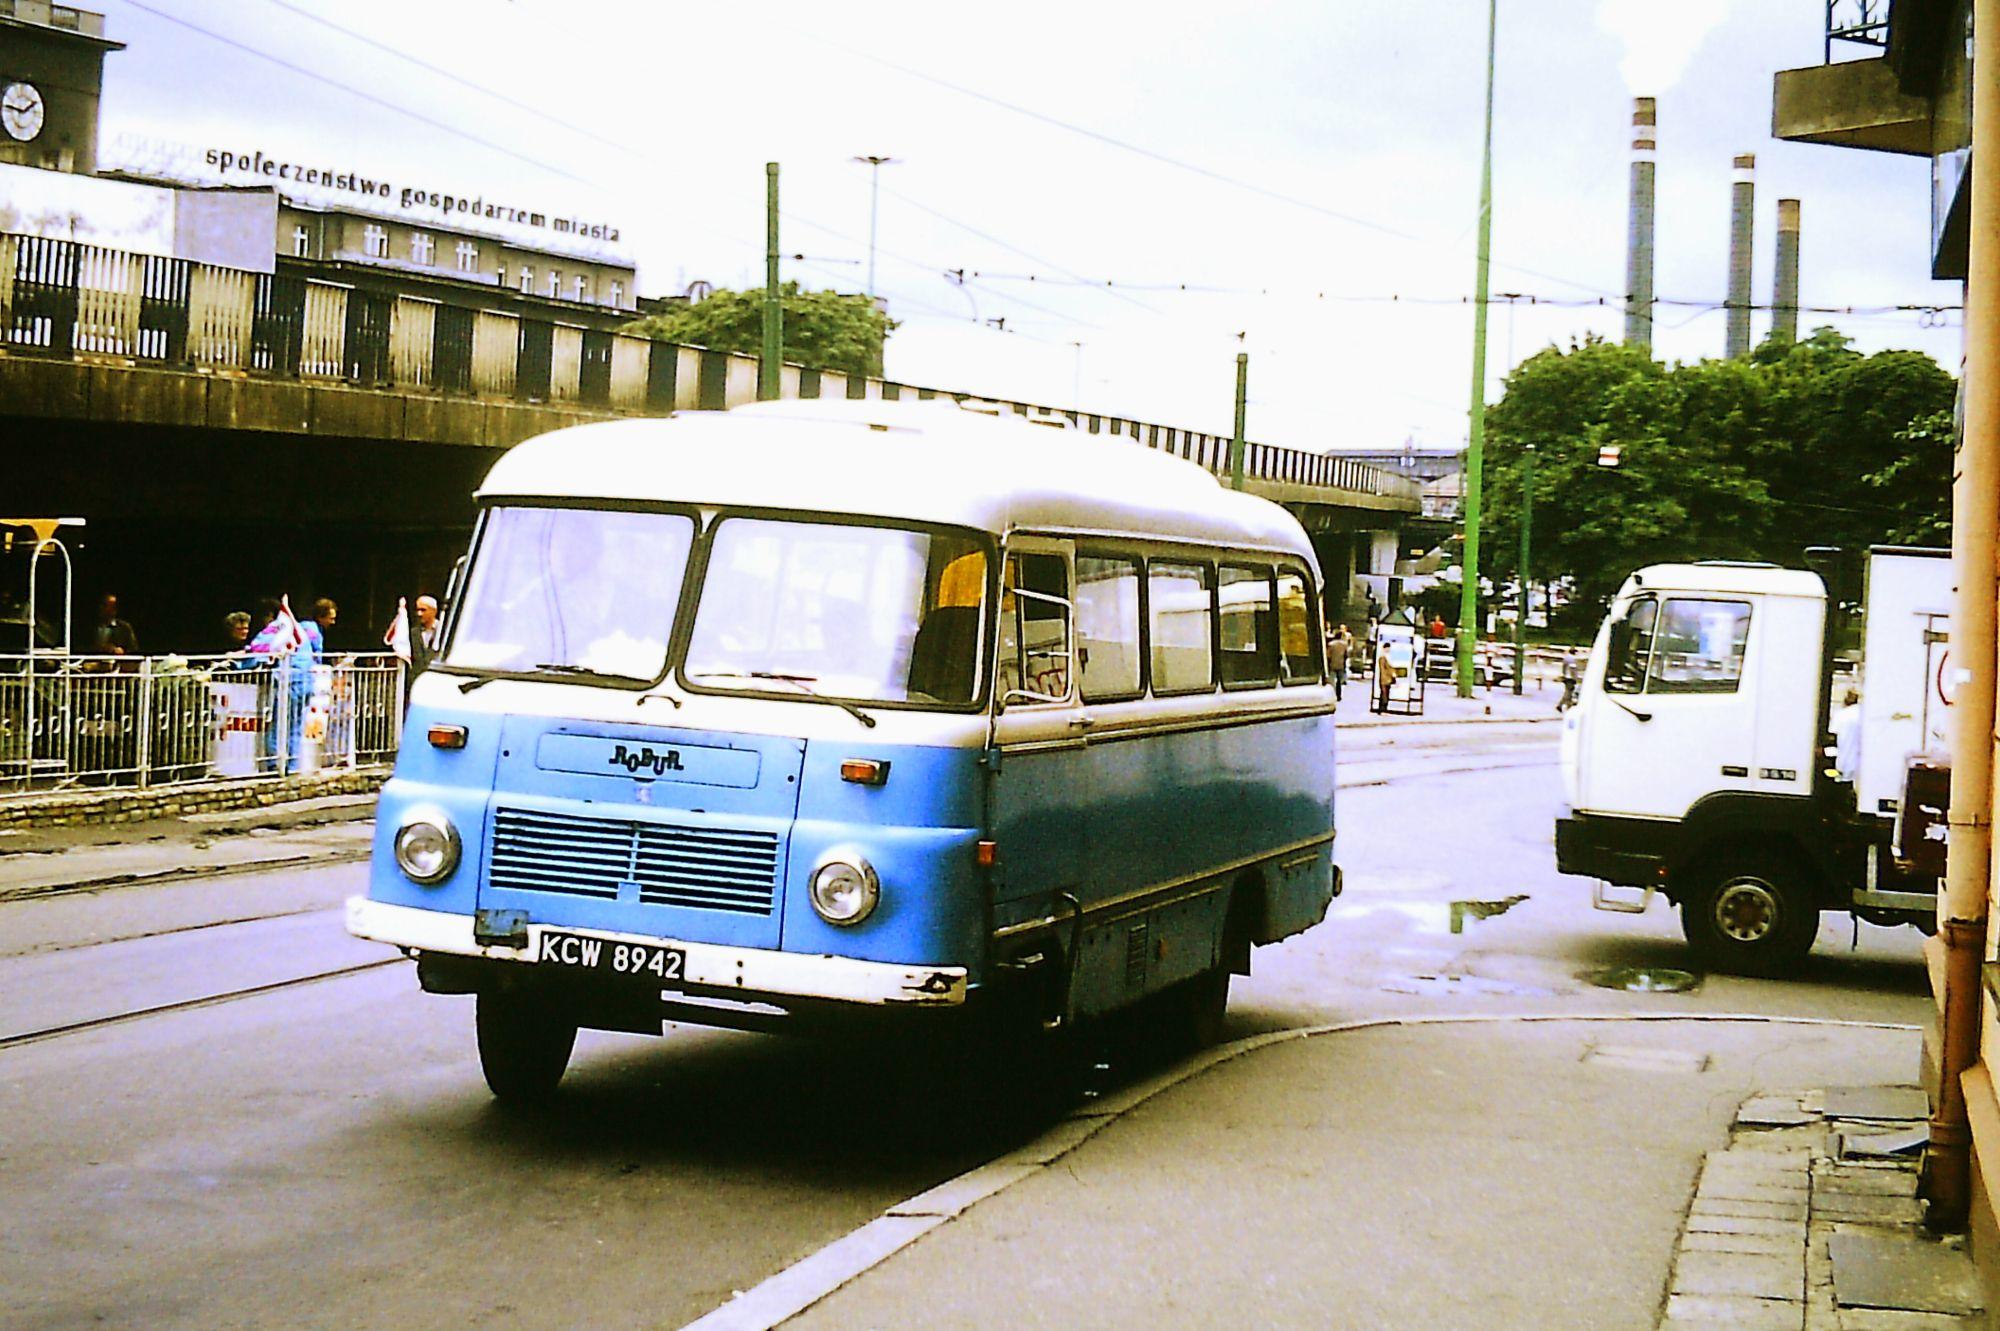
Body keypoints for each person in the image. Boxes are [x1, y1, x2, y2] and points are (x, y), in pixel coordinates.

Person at [1326, 624, 1350, 702]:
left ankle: (1332, 694)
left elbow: (1328, 655)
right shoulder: (1344, 645)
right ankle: (1338, 695)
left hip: (1332, 664)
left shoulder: (1331, 644)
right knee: (1339, 681)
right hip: (1341, 664)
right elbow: (1346, 655)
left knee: (1332, 680)